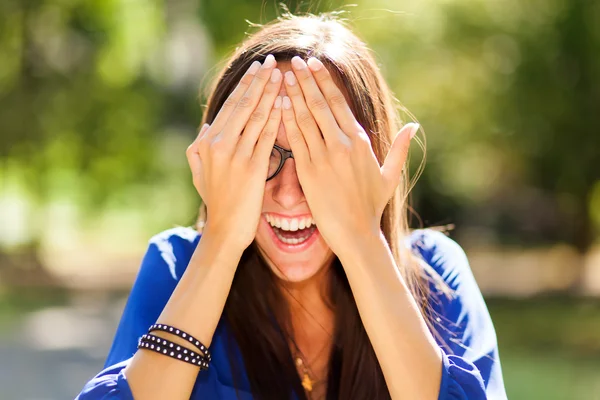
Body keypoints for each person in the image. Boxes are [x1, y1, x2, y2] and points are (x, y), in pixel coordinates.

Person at [76, 12, 507, 400]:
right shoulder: (176, 267)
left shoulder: (436, 276)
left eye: (321, 155)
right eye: (263, 154)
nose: (288, 193)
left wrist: (361, 240)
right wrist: (222, 239)